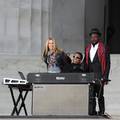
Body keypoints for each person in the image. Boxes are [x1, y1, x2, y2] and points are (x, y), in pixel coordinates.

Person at [84, 28, 110, 115]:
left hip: (100, 74)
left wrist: (105, 77)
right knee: (91, 95)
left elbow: (107, 63)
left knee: (99, 95)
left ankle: (102, 112)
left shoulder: (104, 48)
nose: (94, 38)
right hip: (90, 75)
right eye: (92, 37)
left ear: (98, 37)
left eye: (95, 37)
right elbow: (86, 61)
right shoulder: (87, 48)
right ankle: (92, 111)